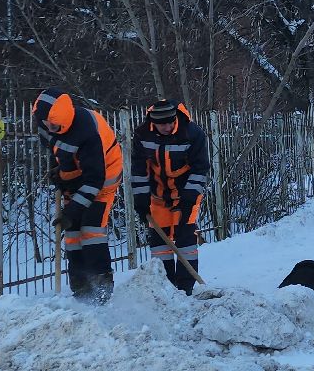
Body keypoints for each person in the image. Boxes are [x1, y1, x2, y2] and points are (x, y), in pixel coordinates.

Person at [33, 88, 124, 298]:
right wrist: (61, 174)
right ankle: (81, 287)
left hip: (102, 179)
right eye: (45, 123)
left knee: (91, 229)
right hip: (80, 175)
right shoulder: (46, 123)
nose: (48, 128)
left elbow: (94, 179)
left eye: (53, 125)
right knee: (72, 234)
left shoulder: (86, 133)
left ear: (63, 121)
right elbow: (58, 150)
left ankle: (102, 287)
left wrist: (72, 210)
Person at [130, 100, 208, 292]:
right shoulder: (142, 134)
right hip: (158, 197)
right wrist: (141, 199)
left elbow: (200, 169)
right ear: (153, 122)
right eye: (162, 124)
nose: (167, 127)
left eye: (170, 122)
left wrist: (188, 199)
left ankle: (185, 288)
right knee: (159, 242)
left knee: (185, 237)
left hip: (187, 193)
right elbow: (139, 170)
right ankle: (165, 287)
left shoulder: (192, 133)